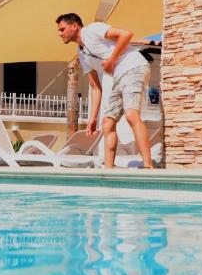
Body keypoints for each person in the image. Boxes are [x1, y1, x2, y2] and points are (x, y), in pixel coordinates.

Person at [56, 12, 154, 169]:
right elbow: (96, 88)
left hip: (134, 67)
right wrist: (93, 118)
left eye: (62, 29)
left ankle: (148, 166)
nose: (60, 34)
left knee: (131, 114)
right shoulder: (81, 54)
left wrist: (112, 59)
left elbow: (126, 34)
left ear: (74, 26)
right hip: (119, 77)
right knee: (107, 123)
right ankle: (109, 170)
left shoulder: (92, 30)